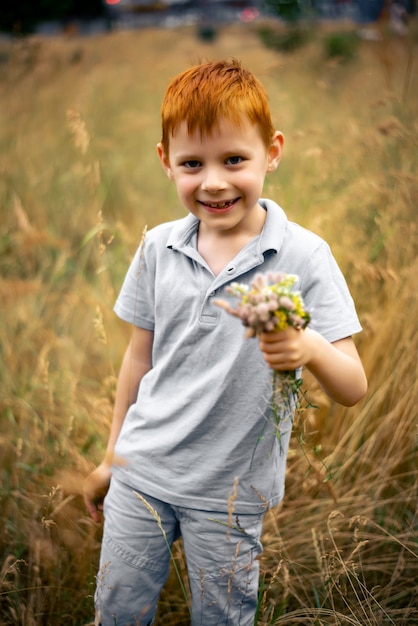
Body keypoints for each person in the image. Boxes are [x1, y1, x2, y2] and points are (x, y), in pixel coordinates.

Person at [83, 59, 367, 626]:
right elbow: (139, 358)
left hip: (229, 494)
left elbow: (353, 387)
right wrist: (112, 457)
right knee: (118, 610)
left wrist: (308, 348)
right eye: (193, 164)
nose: (213, 181)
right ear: (166, 163)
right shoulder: (158, 247)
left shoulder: (304, 256)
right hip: (143, 474)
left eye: (234, 159)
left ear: (273, 151)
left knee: (222, 617)